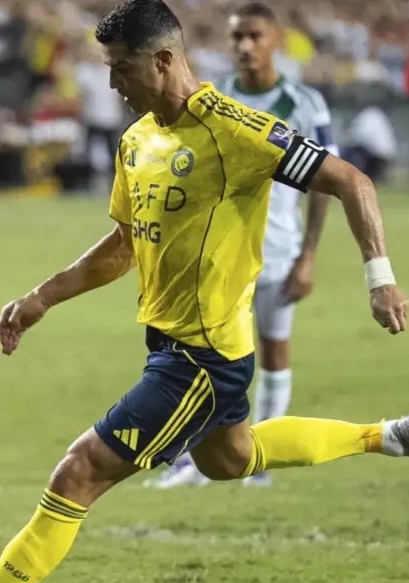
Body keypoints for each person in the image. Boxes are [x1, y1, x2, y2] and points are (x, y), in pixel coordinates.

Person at [0, 2, 409, 583]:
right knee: (229, 460)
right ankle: (388, 435)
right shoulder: (136, 141)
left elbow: (350, 180)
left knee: (79, 472)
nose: (112, 85)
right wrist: (42, 297)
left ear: (161, 60)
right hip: (180, 347)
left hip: (201, 361)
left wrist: (379, 278)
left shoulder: (234, 130)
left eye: (121, 69)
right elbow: (123, 245)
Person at [143, 2, 337, 490]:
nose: (244, 47)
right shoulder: (214, 98)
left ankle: (258, 457)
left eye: (254, 36)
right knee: (203, 358)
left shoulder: (304, 104)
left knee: (273, 350)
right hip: (218, 255)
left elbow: (328, 181)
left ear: (276, 40)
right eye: (237, 38)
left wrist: (309, 256)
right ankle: (194, 460)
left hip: (278, 249)